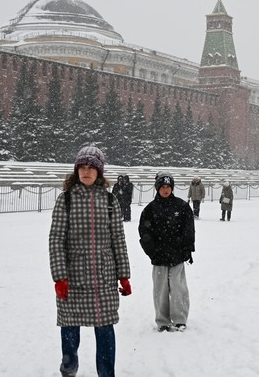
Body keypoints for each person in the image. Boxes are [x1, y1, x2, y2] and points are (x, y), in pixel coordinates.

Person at [49, 146, 132, 377]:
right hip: (73, 277)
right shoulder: (65, 200)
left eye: (91, 168)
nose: (86, 172)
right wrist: (59, 277)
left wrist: (123, 275)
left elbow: (118, 239)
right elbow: (56, 239)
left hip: (103, 278)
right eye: (82, 168)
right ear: (76, 171)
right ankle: (69, 366)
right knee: (70, 329)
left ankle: (106, 373)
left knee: (105, 331)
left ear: (99, 172)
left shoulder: (109, 200)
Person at [138, 174, 195, 332]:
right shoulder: (150, 209)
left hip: (177, 255)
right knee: (160, 290)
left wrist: (187, 249)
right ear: (157, 188)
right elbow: (144, 232)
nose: (165, 190)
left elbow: (189, 229)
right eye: (162, 187)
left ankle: (180, 319)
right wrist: (152, 252)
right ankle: (162, 321)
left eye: (168, 187)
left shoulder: (182, 207)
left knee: (178, 288)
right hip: (159, 256)